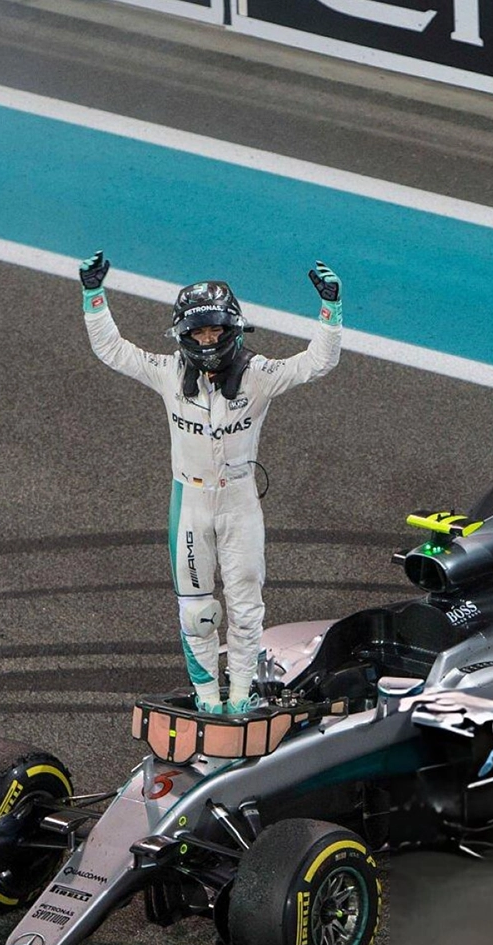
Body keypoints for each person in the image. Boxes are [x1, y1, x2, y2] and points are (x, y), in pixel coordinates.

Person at [80, 251, 344, 714]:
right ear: (183, 335)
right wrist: (93, 295)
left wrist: (331, 309)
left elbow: (317, 362)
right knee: (197, 612)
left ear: (232, 329)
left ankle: (240, 696)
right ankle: (206, 700)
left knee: (245, 607)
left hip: (240, 501)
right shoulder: (167, 372)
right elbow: (113, 351)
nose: (207, 339)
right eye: (198, 332)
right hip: (190, 501)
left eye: (214, 330)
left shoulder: (259, 375)